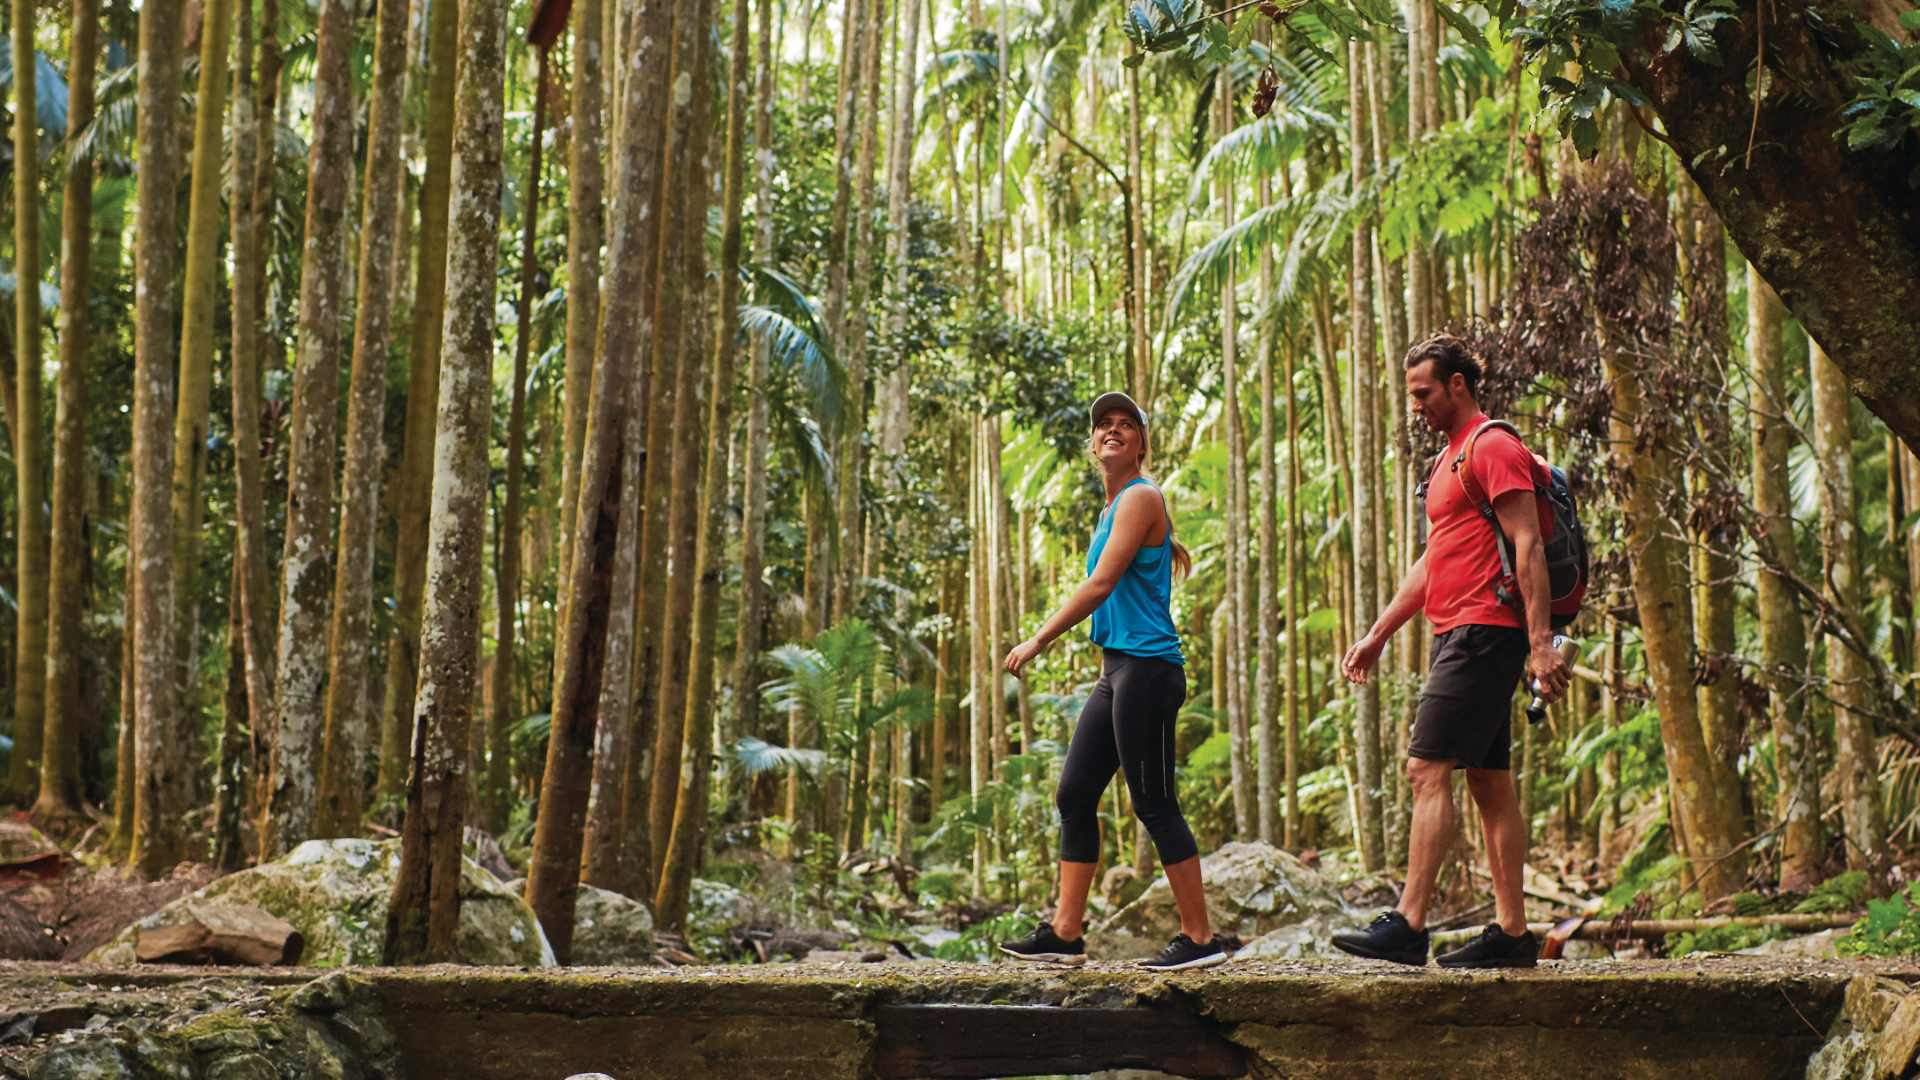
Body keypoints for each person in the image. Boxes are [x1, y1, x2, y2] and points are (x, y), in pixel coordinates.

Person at [1330, 334, 1571, 969]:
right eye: (1411, 394)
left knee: (1426, 768)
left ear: (1457, 385)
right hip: (1457, 630)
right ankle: (1513, 935)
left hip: (1486, 630)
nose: (1417, 405)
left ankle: (1409, 925)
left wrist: (1541, 645)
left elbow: (1528, 545)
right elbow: (1435, 560)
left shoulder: (1492, 446)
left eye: (1424, 392)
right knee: (1489, 782)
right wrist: (1380, 632)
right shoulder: (1447, 463)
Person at [996, 391, 1228, 972]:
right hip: (1117, 671)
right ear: (1093, 442)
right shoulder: (1110, 509)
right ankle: (1065, 933)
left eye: (1127, 425)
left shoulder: (1142, 497)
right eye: (1104, 424)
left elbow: (1100, 585)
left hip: (1148, 669)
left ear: (1142, 445)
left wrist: (1037, 639)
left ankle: (1200, 940)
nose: (1113, 431)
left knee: (1154, 802)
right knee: (1075, 795)